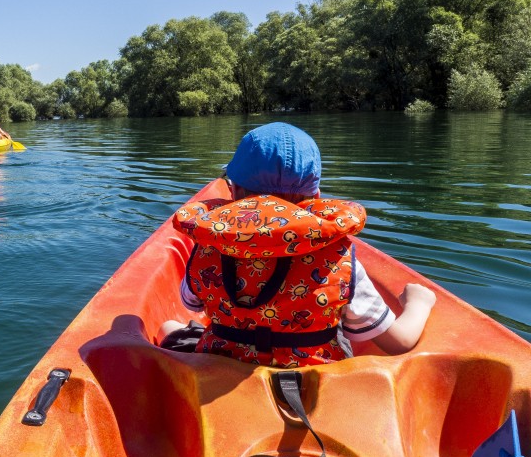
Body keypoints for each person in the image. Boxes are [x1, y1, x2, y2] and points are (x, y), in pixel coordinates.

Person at [159, 122, 436, 367]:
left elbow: (190, 302)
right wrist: (419, 303)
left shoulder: (208, 246)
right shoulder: (339, 258)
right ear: (315, 196)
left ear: (234, 192)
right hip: (311, 375)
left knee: (169, 326)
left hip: (224, 364)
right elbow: (399, 342)